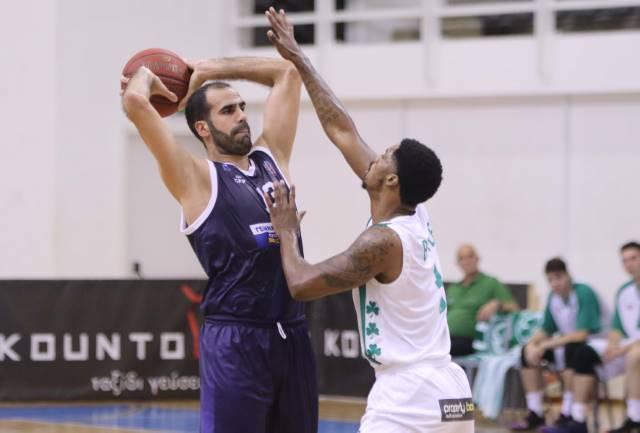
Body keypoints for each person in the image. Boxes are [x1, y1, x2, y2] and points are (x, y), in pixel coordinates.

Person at [264, 7, 473, 432]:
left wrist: (286, 232)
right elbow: (343, 131)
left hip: (409, 396)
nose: (375, 155)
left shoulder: (381, 243)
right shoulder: (415, 213)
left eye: (385, 155)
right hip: (452, 394)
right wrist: (299, 59)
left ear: (391, 180)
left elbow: (302, 284)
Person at [121, 55, 318, 433]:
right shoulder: (195, 177)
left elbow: (286, 72)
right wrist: (145, 75)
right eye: (228, 111)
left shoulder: (272, 158)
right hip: (237, 338)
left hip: (292, 334)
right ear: (203, 128)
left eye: (242, 107)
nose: (242, 115)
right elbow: (134, 102)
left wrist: (210, 69)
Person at [540, 242, 640, 433]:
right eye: (625, 260)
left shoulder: (583, 292)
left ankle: (634, 418)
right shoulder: (624, 291)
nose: (629, 264)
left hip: (632, 349)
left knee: (634, 354)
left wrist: (624, 349)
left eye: (633, 258)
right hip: (625, 346)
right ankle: (577, 419)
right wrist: (612, 345)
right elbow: (617, 328)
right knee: (583, 353)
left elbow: (582, 333)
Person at [512, 258, 601, 431]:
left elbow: (581, 334)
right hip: (565, 344)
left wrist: (545, 345)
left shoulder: (583, 293)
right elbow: (546, 329)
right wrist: (532, 344)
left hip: (591, 346)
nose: (555, 283)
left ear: (568, 275)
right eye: (550, 280)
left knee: (573, 350)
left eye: (558, 277)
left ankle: (568, 414)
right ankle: (535, 412)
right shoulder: (553, 298)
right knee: (526, 353)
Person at [447, 244, 520, 356]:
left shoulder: (490, 283)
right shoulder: (452, 289)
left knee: (440, 349)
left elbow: (514, 307)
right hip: (446, 337)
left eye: (470, 256)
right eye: (462, 258)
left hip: (471, 340)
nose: (466, 261)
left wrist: (497, 304)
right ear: (457, 263)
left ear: (477, 258)